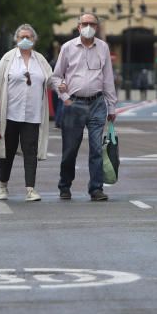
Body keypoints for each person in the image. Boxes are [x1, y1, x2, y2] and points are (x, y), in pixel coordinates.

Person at [51, 13, 118, 201]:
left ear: (97, 27)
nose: (88, 26)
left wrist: (112, 107)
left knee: (97, 149)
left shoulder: (103, 47)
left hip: (97, 104)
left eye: (92, 24)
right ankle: (65, 185)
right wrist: (64, 96)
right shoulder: (67, 48)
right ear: (78, 26)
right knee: (70, 149)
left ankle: (96, 189)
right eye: (85, 23)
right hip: (74, 103)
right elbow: (56, 77)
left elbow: (108, 78)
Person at [0, 24, 53, 202]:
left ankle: (30, 189)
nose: (25, 40)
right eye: (21, 37)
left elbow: (51, 80)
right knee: (6, 151)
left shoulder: (40, 60)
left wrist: (63, 88)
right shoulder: (7, 59)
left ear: (34, 40)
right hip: (10, 114)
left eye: (29, 37)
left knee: (31, 151)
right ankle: (2, 186)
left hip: (32, 115)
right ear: (16, 39)